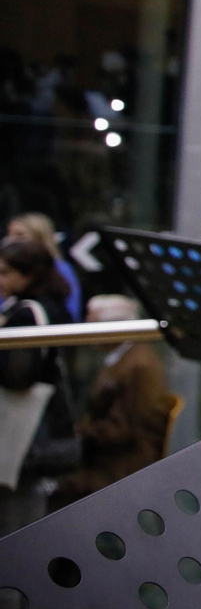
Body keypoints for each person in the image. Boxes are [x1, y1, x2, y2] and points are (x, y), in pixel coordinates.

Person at [50, 294, 172, 506]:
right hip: (106, 455)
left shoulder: (138, 366)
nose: (88, 331)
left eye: (94, 325)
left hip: (123, 464)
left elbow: (128, 427)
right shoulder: (122, 359)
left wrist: (83, 430)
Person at [0, 238, 75, 533]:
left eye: (6, 273)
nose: (1, 280)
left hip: (24, 424)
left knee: (16, 508)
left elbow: (19, 377)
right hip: (42, 422)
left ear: (28, 275)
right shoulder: (53, 305)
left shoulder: (26, 313)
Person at [8, 212, 82, 321]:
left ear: (41, 237)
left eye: (20, 235)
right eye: (9, 234)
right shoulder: (9, 270)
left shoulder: (60, 269)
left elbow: (71, 310)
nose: (12, 241)